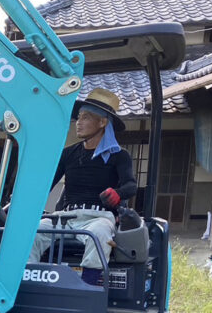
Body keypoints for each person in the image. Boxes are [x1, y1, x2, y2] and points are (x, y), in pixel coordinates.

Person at [28, 88, 136, 285]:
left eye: (86, 117)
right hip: (65, 217)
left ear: (102, 122)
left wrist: (117, 194)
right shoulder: (68, 153)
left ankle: (88, 286)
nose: (78, 123)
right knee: (31, 232)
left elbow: (131, 185)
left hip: (98, 217)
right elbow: (46, 184)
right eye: (78, 117)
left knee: (100, 234)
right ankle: (29, 281)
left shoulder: (119, 155)